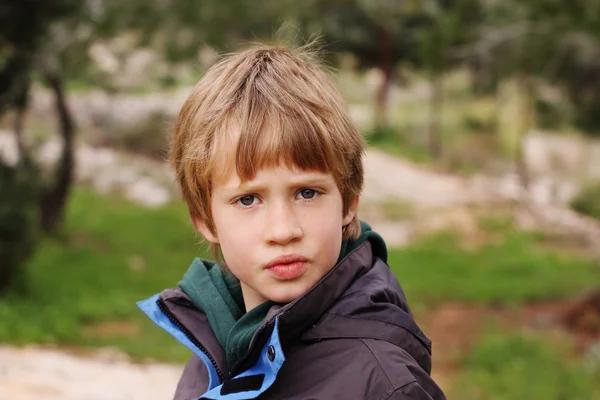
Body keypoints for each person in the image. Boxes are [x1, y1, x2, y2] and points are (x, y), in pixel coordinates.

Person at [138, 43, 446, 400]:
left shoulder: (384, 383)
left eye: (307, 193)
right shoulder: (210, 355)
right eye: (248, 199)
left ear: (348, 202)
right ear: (205, 220)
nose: (283, 231)